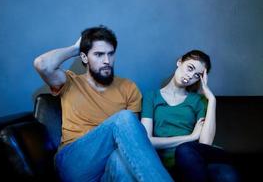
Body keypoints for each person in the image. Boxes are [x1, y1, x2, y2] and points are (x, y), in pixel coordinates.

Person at [33, 25, 173, 182]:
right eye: (99, 54)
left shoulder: (128, 87)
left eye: (110, 54)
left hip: (108, 167)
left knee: (122, 164)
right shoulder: (70, 82)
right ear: (84, 57)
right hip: (74, 163)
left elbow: (132, 141)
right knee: (124, 118)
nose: (107, 61)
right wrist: (75, 49)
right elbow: (42, 64)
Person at [141, 50, 240, 182]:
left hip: (196, 158)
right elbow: (147, 141)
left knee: (227, 174)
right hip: (171, 163)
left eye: (196, 75)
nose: (190, 76)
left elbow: (205, 144)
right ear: (179, 62)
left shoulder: (198, 101)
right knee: (184, 149)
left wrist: (211, 99)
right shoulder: (151, 97)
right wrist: (191, 137)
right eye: (190, 68)